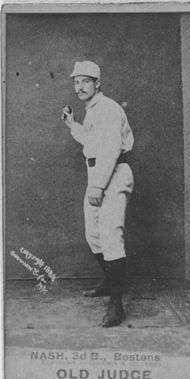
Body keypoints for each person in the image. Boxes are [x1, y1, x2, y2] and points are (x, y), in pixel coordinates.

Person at [62, 60, 134, 327]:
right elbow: (93, 143)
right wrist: (72, 125)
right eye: (76, 81)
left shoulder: (109, 109)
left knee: (111, 236)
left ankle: (116, 305)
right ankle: (109, 282)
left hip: (113, 174)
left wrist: (97, 186)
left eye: (85, 81)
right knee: (93, 235)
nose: (79, 86)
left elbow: (111, 150)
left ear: (97, 84)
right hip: (99, 174)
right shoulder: (92, 109)